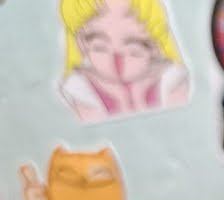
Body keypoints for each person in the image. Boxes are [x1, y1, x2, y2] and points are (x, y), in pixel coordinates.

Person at [58, 0, 189, 123]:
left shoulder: (170, 79)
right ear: (81, 44)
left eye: (134, 50)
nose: (117, 61)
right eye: (100, 48)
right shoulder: (81, 89)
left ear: (155, 45)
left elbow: (181, 121)